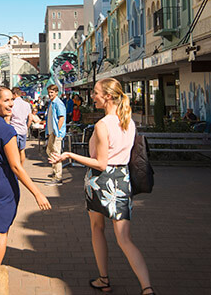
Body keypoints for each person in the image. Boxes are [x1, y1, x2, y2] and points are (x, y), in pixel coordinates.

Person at [50, 78, 154, 294]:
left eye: (96, 93)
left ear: (107, 96)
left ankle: (104, 279)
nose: (93, 97)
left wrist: (69, 155)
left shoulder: (102, 125)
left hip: (101, 180)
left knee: (97, 229)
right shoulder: (129, 122)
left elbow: (100, 162)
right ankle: (147, 287)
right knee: (124, 238)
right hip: (122, 180)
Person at [0, 86, 51, 266]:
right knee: (2, 232)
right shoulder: (6, 131)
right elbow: (16, 166)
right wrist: (37, 193)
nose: (11, 104)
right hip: (3, 183)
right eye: (6, 101)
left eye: (11, 100)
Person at [45, 84, 67, 186]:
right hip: (51, 132)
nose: (50, 94)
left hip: (55, 133)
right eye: (49, 92)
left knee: (55, 154)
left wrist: (56, 132)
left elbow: (61, 118)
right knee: (50, 152)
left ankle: (58, 177)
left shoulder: (58, 103)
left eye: (52, 92)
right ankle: (55, 173)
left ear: (56, 92)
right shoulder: (52, 103)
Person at [9, 87, 32, 165]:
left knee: (14, 151)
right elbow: (30, 118)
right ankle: (21, 167)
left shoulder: (12, 104)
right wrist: (27, 127)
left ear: (14, 94)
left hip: (14, 130)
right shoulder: (27, 104)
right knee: (22, 150)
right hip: (23, 130)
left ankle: (15, 168)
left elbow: (8, 117)